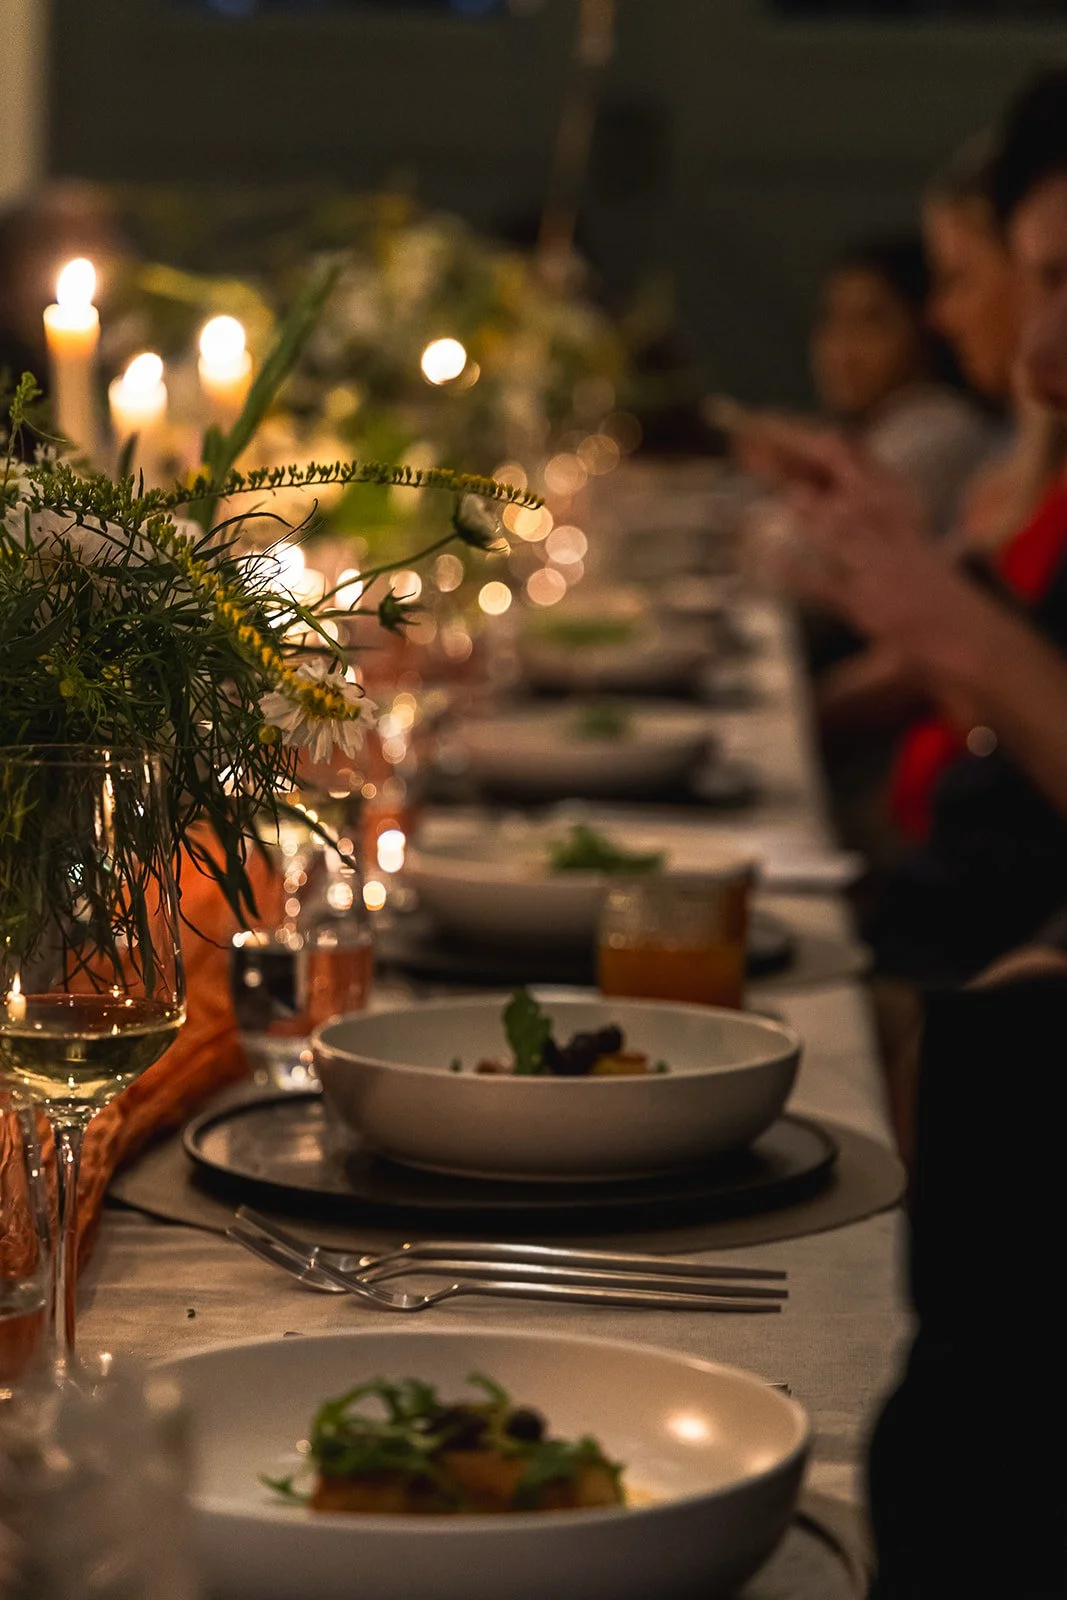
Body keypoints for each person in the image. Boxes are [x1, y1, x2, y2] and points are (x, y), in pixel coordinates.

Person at [811, 232, 992, 537]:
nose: (842, 349)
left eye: (870, 323)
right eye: (832, 320)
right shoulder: (881, 429)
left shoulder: (940, 433)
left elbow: (819, 541)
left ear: (925, 329)